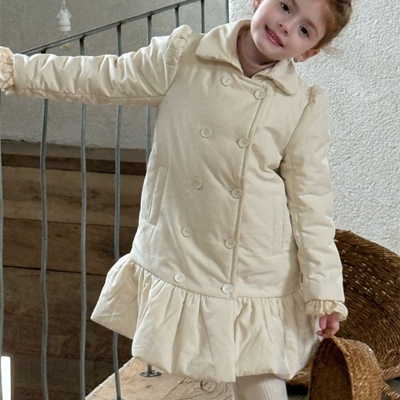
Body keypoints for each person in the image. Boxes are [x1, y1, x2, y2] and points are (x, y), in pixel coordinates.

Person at [0, 0, 353, 398]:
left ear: (308, 52)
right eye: (286, 6)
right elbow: (100, 77)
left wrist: (325, 291)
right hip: (185, 249)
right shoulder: (184, 56)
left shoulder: (302, 104)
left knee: (259, 377)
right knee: (191, 367)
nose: (287, 26)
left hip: (257, 268)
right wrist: (15, 70)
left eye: (305, 30)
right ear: (258, 1)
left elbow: (311, 202)